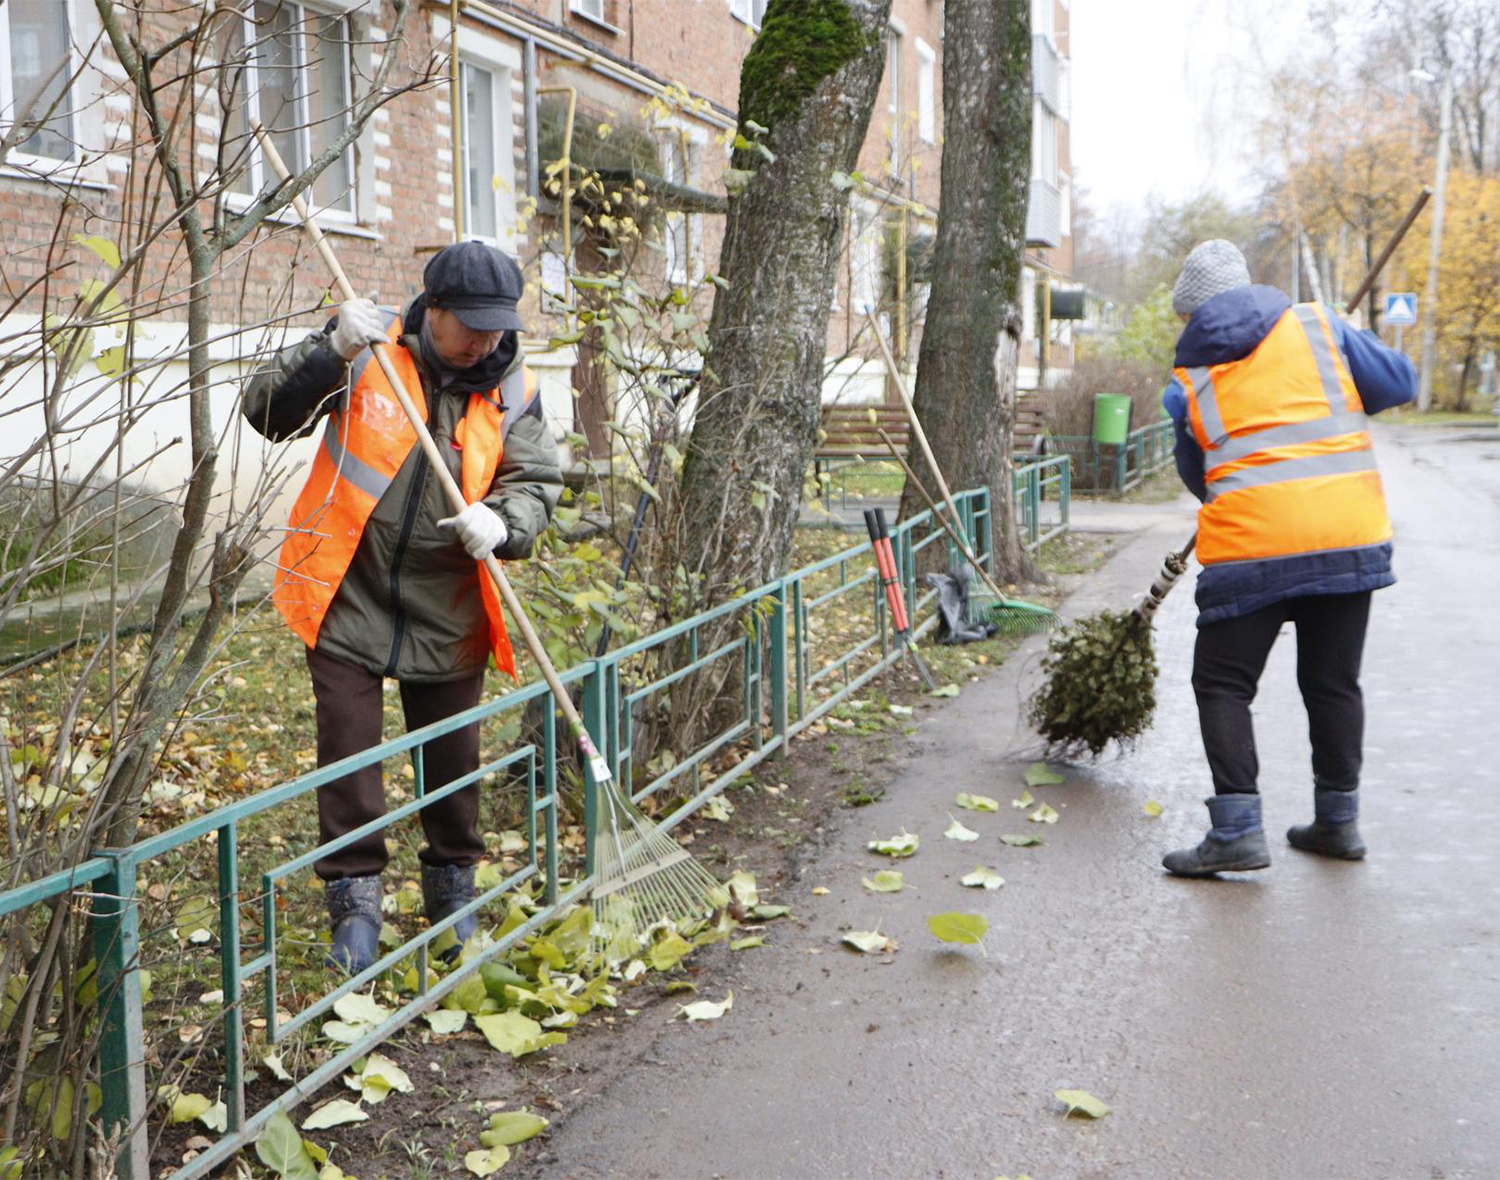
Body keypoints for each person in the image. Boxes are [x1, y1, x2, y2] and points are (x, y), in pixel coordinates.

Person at [244, 241, 561, 971]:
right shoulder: (369, 348)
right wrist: (327, 351)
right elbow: (267, 413)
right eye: (472, 323)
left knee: (452, 760)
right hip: (345, 589)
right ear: (433, 310)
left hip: (448, 602)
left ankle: (453, 893)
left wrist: (506, 522)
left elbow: (537, 479)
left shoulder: (513, 386)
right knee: (349, 757)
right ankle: (354, 905)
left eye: (498, 324)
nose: (487, 339)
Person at [1157, 239, 1415, 877]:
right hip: (1345, 536)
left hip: (1252, 548)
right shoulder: (1321, 326)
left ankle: (1239, 831)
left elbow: (1201, 478)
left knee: (1222, 683)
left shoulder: (1187, 383)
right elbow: (1398, 385)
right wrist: (1345, 347)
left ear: (1192, 314)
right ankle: (1338, 822)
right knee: (1331, 683)